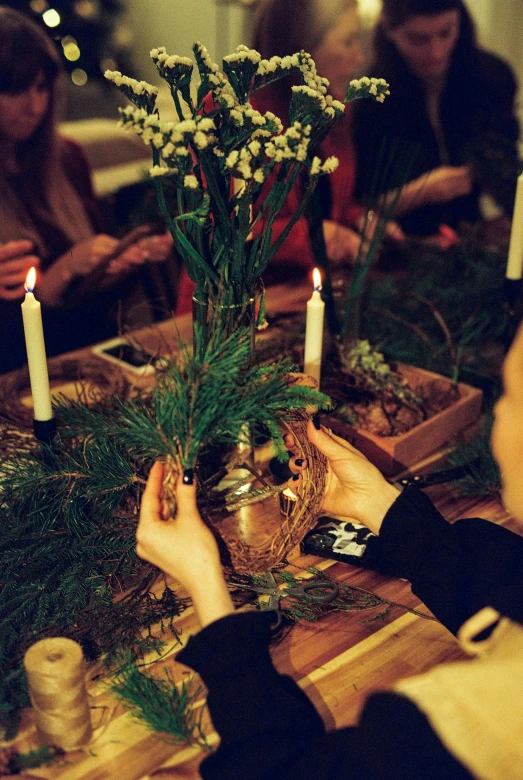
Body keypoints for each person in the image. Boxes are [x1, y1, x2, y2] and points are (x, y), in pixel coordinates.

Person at [136, 319, 523, 777]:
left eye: (512, 397)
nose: (498, 415)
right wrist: (376, 502)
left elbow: (283, 769)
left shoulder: (484, 725)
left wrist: (205, 583)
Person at [0, 6, 173, 374]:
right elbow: (13, 334)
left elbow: (91, 311)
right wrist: (61, 273)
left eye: (43, 88)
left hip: (86, 358)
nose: (35, 106)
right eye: (16, 89)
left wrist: (114, 265)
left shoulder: (66, 158)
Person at [352, 0, 520, 240]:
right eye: (418, 39)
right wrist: (424, 191)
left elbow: (507, 170)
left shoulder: (491, 77)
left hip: (472, 237)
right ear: (388, 30)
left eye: (446, 32)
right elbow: (359, 206)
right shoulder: (371, 99)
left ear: (460, 19)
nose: (436, 51)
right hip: (400, 245)